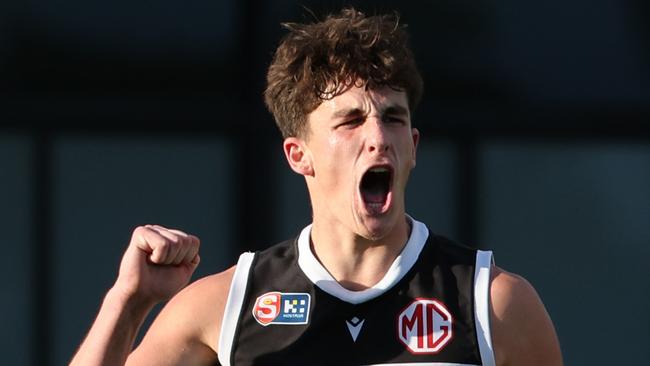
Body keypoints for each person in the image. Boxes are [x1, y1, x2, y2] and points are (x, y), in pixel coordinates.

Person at [70, 7, 562, 366]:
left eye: (392, 119)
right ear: (297, 154)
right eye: (350, 121)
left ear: (413, 146)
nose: (377, 138)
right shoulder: (228, 304)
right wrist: (128, 302)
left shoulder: (492, 303)